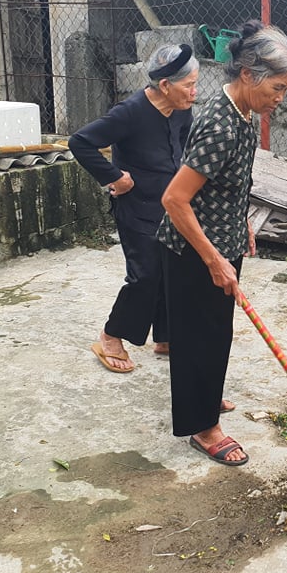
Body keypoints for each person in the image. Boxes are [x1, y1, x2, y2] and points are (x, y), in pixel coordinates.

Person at [158, 21, 287, 466]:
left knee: (215, 333)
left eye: (285, 90)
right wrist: (215, 259)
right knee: (198, 338)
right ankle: (203, 428)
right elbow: (175, 199)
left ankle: (205, 397)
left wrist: (242, 223)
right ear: (247, 75)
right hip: (193, 250)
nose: (280, 99)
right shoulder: (220, 124)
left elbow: (229, 183)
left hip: (221, 241)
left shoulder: (243, 114)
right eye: (276, 88)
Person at [69, 44, 197, 373]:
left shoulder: (181, 108)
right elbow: (80, 142)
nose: (194, 93)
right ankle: (111, 336)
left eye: (196, 84)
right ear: (165, 86)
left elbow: (182, 146)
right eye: (189, 86)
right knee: (146, 275)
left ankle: (165, 336)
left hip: (170, 204)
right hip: (137, 208)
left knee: (172, 268)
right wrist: (113, 177)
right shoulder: (130, 112)